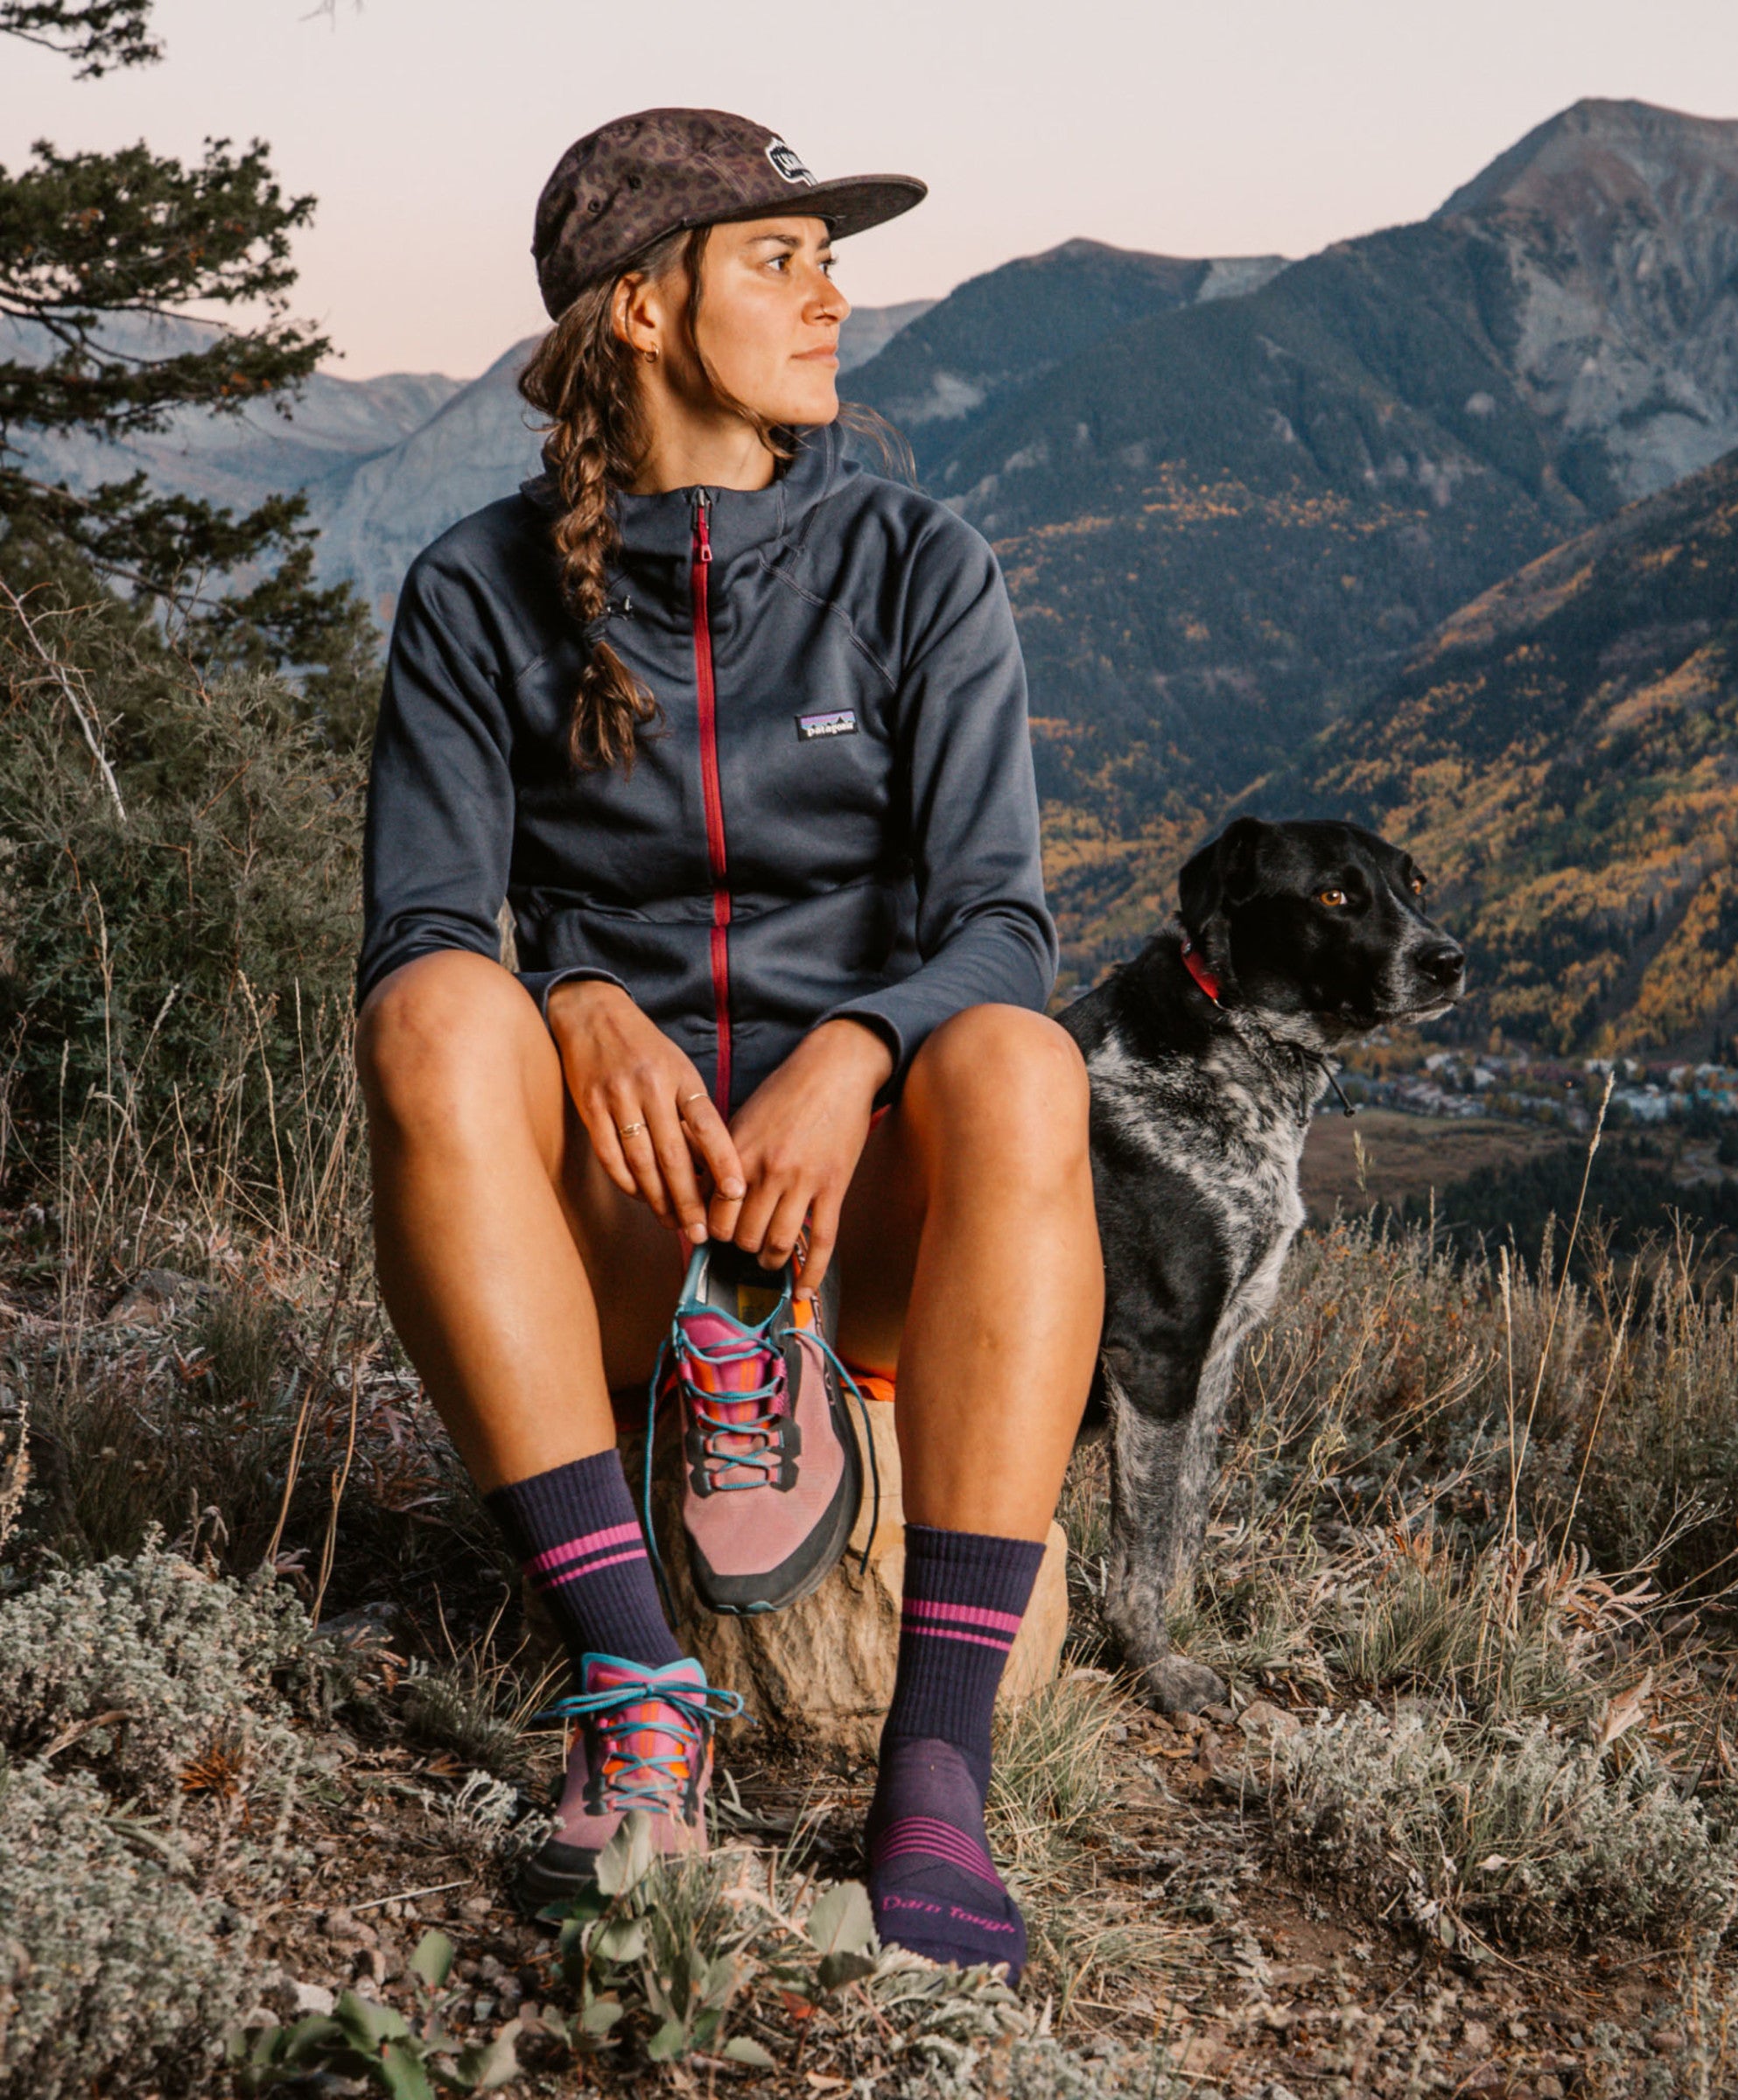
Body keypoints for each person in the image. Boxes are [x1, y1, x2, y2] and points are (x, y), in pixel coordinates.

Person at [353, 108, 1102, 1982]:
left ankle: (936, 1773)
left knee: (1021, 1060)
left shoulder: (917, 563)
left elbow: (1003, 926)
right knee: (435, 1018)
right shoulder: (476, 590)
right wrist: (574, 1000)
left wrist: (855, 1053)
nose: (833, 299)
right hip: (628, 1216)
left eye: (826, 261)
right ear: (641, 309)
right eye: (779, 260)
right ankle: (636, 1691)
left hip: (853, 1222)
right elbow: (426, 929)